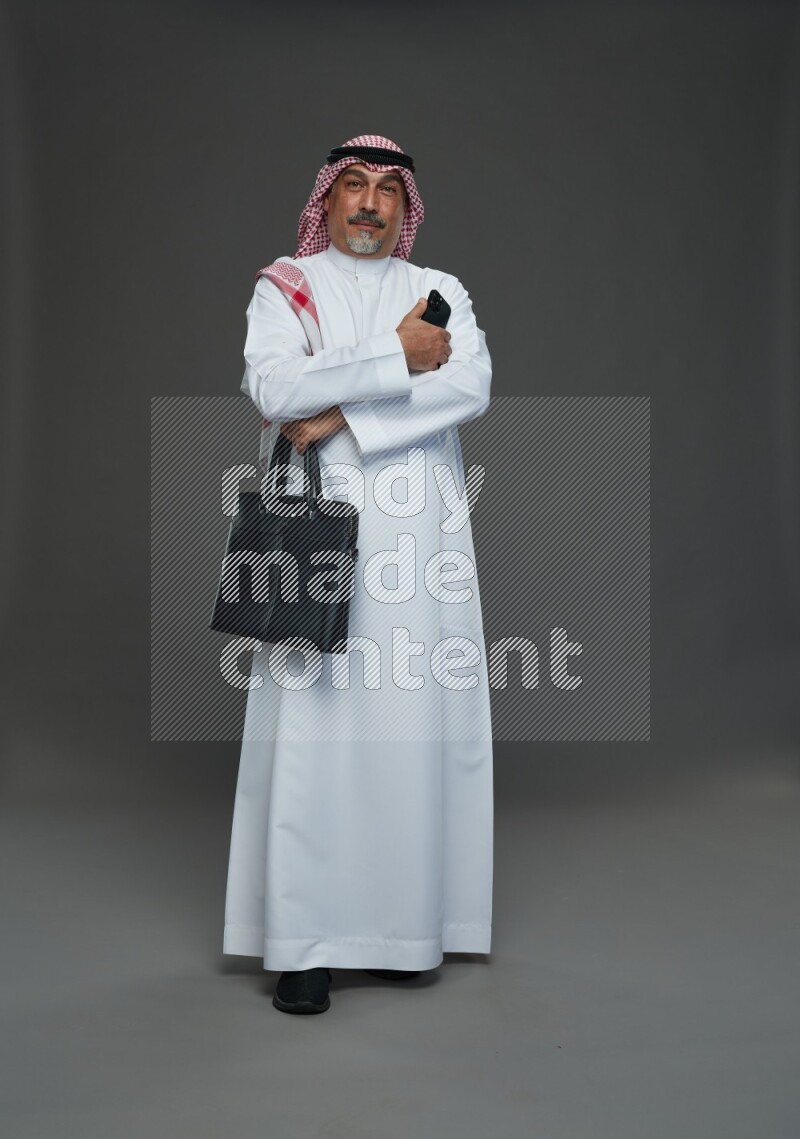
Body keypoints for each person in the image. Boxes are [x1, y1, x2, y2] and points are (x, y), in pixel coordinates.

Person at [223, 134, 494, 1015]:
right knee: (315, 726)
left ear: (404, 205)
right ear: (327, 199)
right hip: (318, 530)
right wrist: (391, 362)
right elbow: (273, 388)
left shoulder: (439, 291)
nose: (370, 202)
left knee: (412, 716)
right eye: (353, 186)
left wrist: (337, 407)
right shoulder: (286, 286)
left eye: (386, 188)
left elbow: (469, 387)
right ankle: (303, 946)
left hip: (421, 535)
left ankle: (408, 928)